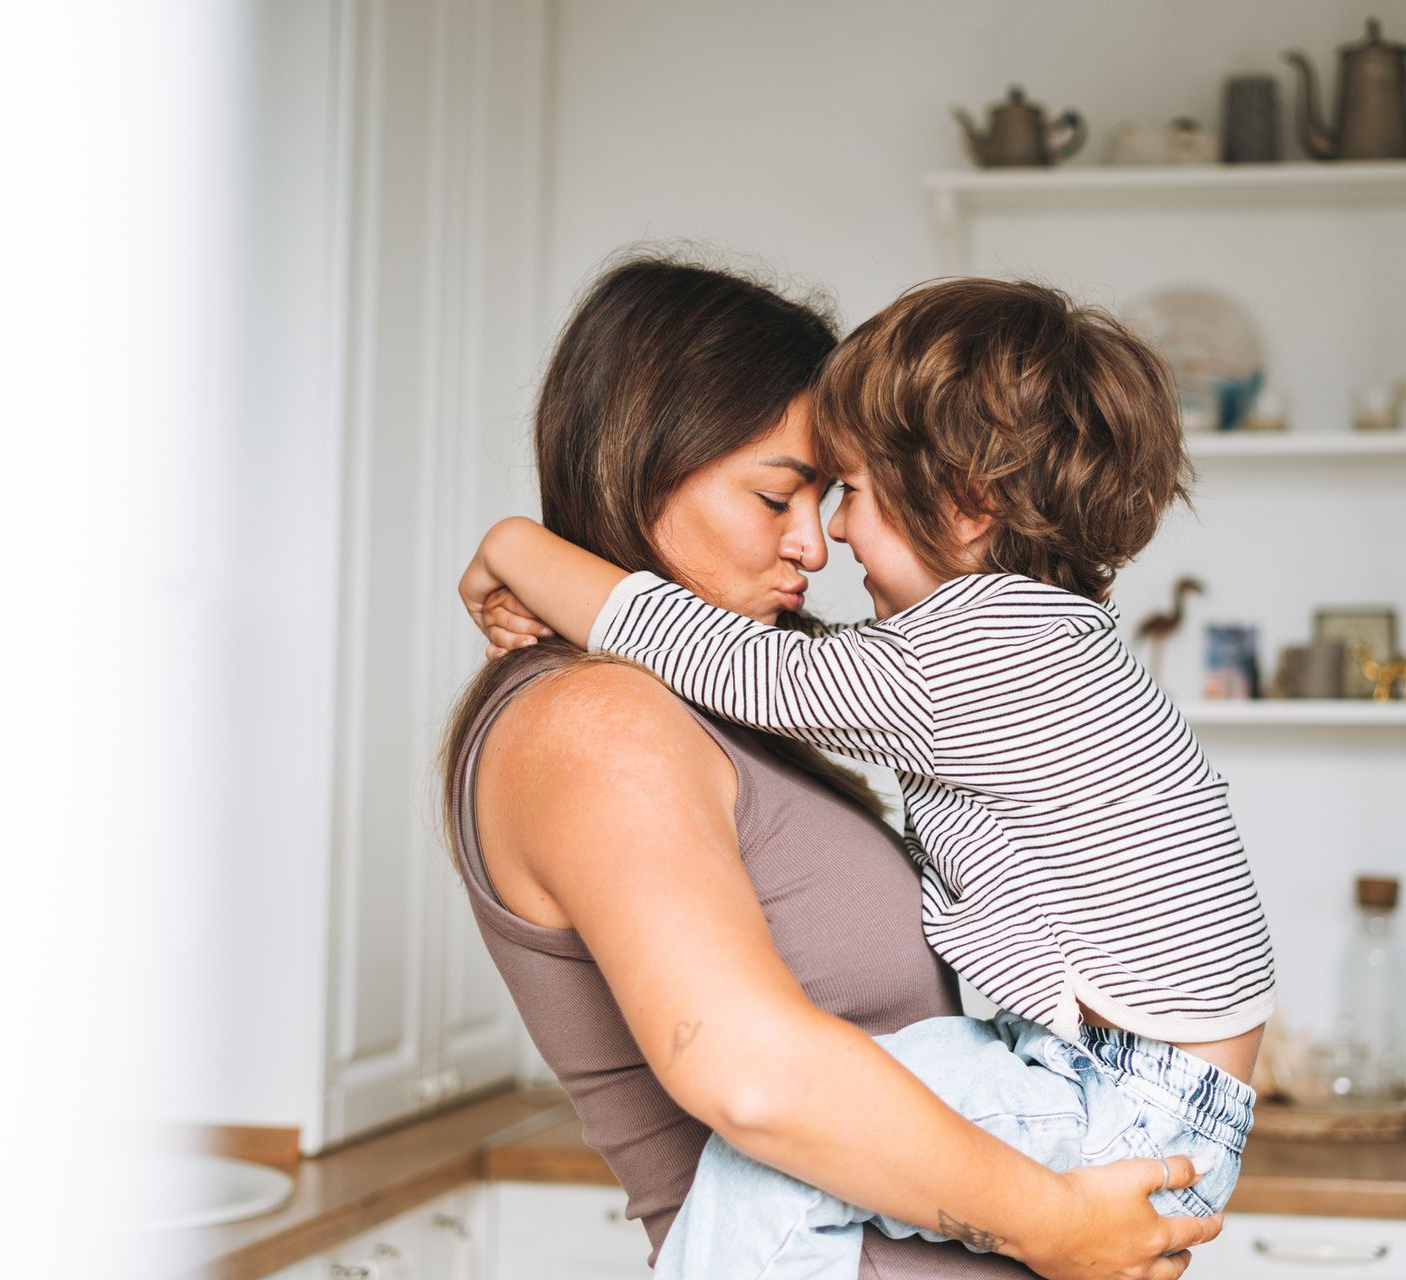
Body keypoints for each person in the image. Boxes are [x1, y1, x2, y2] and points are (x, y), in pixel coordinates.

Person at [461, 278, 1273, 1279]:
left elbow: (755, 670)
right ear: (643, 464)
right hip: (1136, 1097)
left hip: (1131, 1097)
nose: (825, 537)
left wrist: (517, 550)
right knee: (775, 1155)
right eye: (780, 493)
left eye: (844, 491)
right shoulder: (598, 723)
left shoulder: (991, 647)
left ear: (970, 504)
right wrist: (1049, 1222)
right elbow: (761, 1085)